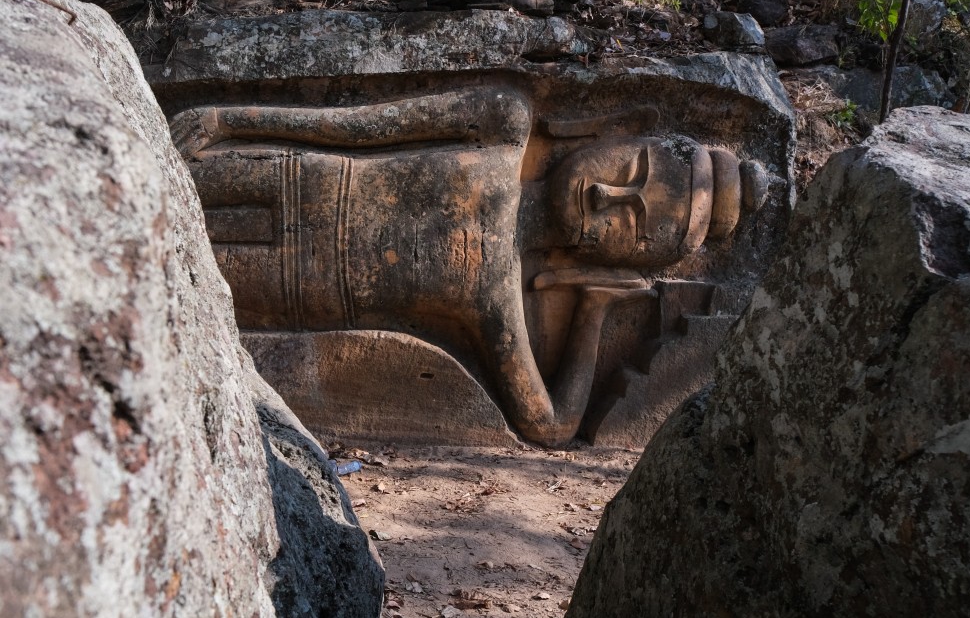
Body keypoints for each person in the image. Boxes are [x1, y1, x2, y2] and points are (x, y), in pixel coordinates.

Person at [170, 86, 764, 446]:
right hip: (294, 177)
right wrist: (232, 120)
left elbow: (552, 425)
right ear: (621, 132)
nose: (609, 197)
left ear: (619, 257)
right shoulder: (503, 122)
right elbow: (356, 126)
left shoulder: (497, 300)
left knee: (169, 284)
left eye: (630, 224)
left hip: (298, 285)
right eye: (629, 173)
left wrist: (593, 306)